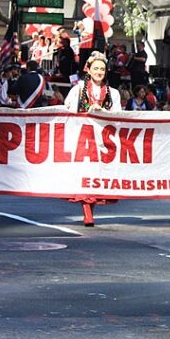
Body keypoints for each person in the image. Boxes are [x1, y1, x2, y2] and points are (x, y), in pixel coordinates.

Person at [64, 51, 122, 226]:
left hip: (103, 140)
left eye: (102, 69)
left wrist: (102, 111)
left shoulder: (113, 93)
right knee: (85, 172)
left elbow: (119, 115)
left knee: (98, 174)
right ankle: (87, 211)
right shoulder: (78, 89)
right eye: (96, 68)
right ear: (88, 70)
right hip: (83, 138)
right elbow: (69, 108)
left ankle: (91, 208)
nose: (99, 72)